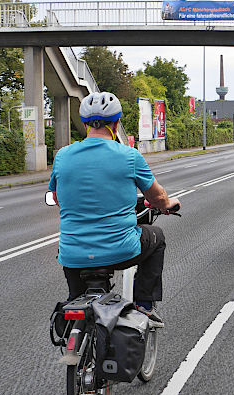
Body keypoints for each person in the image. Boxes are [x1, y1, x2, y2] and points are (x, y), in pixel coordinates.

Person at [48, 92, 180, 317]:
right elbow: (157, 197)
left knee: (76, 298)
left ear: (84, 123)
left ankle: (75, 313)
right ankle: (144, 305)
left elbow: (58, 197)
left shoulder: (62, 156)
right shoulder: (129, 156)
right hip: (121, 251)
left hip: (73, 254)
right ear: (117, 123)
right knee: (156, 236)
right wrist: (167, 204)